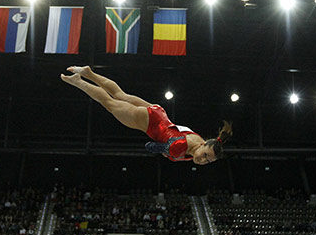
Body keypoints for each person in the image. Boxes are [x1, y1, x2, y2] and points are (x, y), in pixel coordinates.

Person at [61, 66, 232, 164]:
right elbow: (152, 147)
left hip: (158, 113)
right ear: (202, 144)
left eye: (207, 160)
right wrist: (164, 150)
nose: (202, 160)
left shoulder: (195, 145)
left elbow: (167, 147)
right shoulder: (182, 147)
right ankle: (79, 81)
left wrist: (166, 150)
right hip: (149, 123)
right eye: (205, 154)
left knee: (120, 95)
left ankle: (88, 72)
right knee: (109, 104)